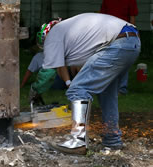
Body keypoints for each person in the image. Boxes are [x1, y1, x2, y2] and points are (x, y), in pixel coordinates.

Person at [30, 13, 140, 155]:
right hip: (131, 41)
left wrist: (35, 90)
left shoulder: (53, 35)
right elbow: (81, 67)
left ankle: (77, 141)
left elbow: (48, 74)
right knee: (107, 94)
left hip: (116, 44)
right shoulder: (74, 33)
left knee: (77, 89)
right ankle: (112, 140)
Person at [101, 0, 139, 94]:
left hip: (120, 32)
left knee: (117, 60)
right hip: (116, 32)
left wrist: (132, 32)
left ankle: (118, 87)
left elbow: (132, 18)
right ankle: (116, 87)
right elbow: (103, 17)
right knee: (116, 60)